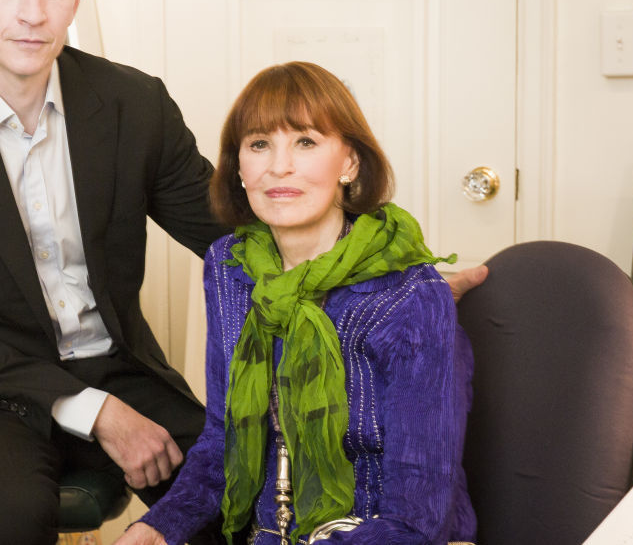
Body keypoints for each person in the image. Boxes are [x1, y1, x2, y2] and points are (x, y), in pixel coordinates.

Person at [0, 0, 486, 545]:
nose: (32, 11)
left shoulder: (133, 104)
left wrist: (385, 282)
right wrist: (98, 414)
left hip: (116, 366)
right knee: (8, 515)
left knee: (238, 494)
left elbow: (236, 228)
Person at [115, 61, 477, 545]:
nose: (278, 166)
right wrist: (157, 527)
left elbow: (418, 516)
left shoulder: (410, 295)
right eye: (259, 144)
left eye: (305, 142)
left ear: (350, 163)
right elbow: (224, 440)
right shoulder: (230, 268)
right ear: (238, 166)